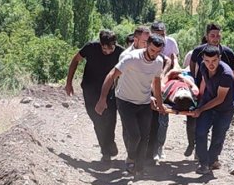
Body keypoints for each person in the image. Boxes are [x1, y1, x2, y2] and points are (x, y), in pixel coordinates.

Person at [95, 34, 165, 177]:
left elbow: (156, 83)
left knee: (145, 136)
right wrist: (102, 98)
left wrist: (160, 103)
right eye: (152, 51)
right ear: (146, 46)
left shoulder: (158, 62)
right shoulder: (132, 58)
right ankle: (131, 158)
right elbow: (111, 75)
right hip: (125, 101)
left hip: (144, 102)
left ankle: (139, 168)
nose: (155, 54)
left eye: (158, 52)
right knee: (134, 135)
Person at [65, 30, 123, 162]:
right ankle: (105, 148)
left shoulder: (121, 53)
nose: (107, 52)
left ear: (115, 44)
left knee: (110, 120)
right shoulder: (90, 47)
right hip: (90, 89)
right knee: (97, 119)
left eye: (110, 49)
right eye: (104, 48)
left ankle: (108, 146)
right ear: (100, 44)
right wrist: (69, 82)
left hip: (110, 91)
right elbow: (75, 60)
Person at [188, 25, 234, 160]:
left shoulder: (228, 55)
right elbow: (194, 66)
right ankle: (199, 154)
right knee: (198, 128)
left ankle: (211, 159)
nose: (215, 38)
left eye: (218, 35)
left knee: (219, 134)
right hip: (206, 94)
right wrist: (196, 88)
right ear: (206, 36)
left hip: (223, 99)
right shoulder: (199, 52)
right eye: (212, 35)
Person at [191, 45, 234, 175]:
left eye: (214, 61)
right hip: (207, 103)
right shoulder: (203, 66)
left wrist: (201, 109)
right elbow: (204, 82)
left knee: (218, 136)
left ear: (219, 58)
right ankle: (203, 163)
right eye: (207, 61)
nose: (210, 64)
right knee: (200, 131)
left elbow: (219, 99)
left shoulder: (226, 74)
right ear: (203, 60)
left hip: (224, 109)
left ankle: (211, 161)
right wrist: (198, 100)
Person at [147, 21, 180, 163]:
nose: (161, 38)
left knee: (163, 117)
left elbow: (174, 60)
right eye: (157, 35)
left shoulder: (171, 43)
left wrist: (169, 73)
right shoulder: (148, 43)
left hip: (165, 82)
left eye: (163, 35)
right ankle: (147, 148)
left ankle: (159, 146)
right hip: (149, 82)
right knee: (148, 117)